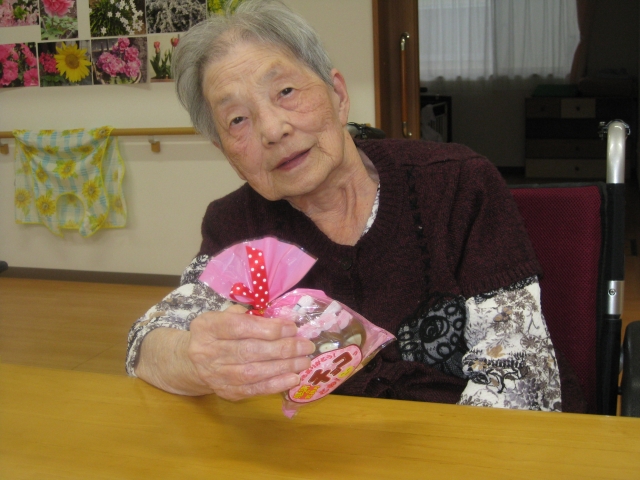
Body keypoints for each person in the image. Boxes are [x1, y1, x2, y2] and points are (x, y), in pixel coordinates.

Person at [126, 0, 585, 412]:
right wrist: (197, 359)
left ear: (339, 95)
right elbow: (146, 345)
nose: (272, 129)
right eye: (237, 119)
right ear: (225, 150)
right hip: (317, 455)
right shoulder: (236, 224)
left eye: (285, 92)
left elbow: (521, 384)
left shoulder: (457, 184)